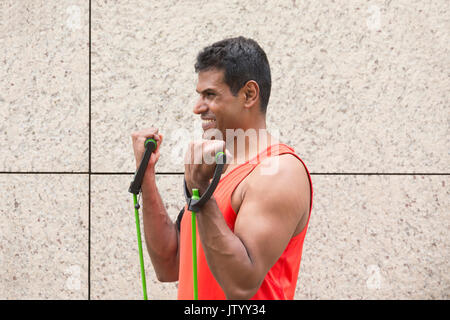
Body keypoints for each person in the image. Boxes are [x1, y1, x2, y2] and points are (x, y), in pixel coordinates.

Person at [130, 36, 313, 300]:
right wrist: (146, 178)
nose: (197, 108)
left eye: (210, 95)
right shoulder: (220, 169)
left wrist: (202, 193)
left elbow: (241, 286)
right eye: (199, 95)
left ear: (249, 94)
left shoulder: (279, 171)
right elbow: (169, 265)